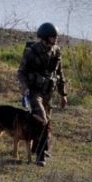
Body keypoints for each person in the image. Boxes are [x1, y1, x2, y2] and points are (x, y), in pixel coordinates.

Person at [17, 22, 68, 166]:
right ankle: (40, 156)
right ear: (45, 37)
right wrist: (25, 87)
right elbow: (21, 72)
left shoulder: (56, 51)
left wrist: (63, 94)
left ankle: (39, 147)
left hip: (48, 92)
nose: (56, 39)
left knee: (47, 122)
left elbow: (59, 73)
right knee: (41, 119)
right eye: (53, 37)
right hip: (34, 92)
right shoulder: (31, 51)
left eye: (56, 36)